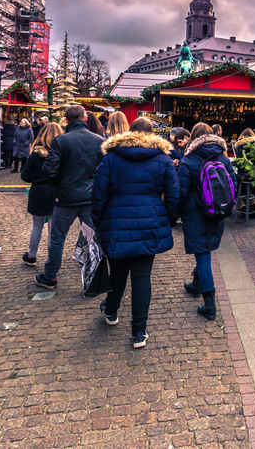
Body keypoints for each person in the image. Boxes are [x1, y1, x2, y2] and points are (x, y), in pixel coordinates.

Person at [92, 118, 179, 349]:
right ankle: (139, 332)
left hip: (117, 222)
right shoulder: (163, 159)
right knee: (142, 276)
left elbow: (99, 194)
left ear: (130, 133)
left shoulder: (111, 158)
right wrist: (167, 218)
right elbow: (173, 195)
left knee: (118, 271)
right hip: (150, 223)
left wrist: (98, 221)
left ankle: (111, 310)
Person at [35, 104, 106, 289]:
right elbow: (105, 170)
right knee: (93, 239)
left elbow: (49, 169)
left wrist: (59, 184)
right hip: (90, 198)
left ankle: (50, 276)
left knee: (57, 238)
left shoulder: (61, 140)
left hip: (65, 199)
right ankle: (94, 278)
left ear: (66, 120)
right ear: (84, 118)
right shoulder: (99, 140)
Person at [178, 123, 235, 320]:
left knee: (203, 256)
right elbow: (232, 184)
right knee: (205, 250)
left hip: (195, 215)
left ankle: (209, 305)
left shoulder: (188, 160)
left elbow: (182, 193)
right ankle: (195, 285)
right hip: (218, 211)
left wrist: (174, 214)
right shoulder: (223, 157)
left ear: (192, 138)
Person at [20, 123, 63, 266]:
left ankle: (31, 255)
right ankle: (52, 258)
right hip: (56, 191)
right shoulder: (62, 153)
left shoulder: (36, 154)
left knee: (36, 225)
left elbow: (25, 175)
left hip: (38, 191)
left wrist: (37, 178)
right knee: (53, 227)